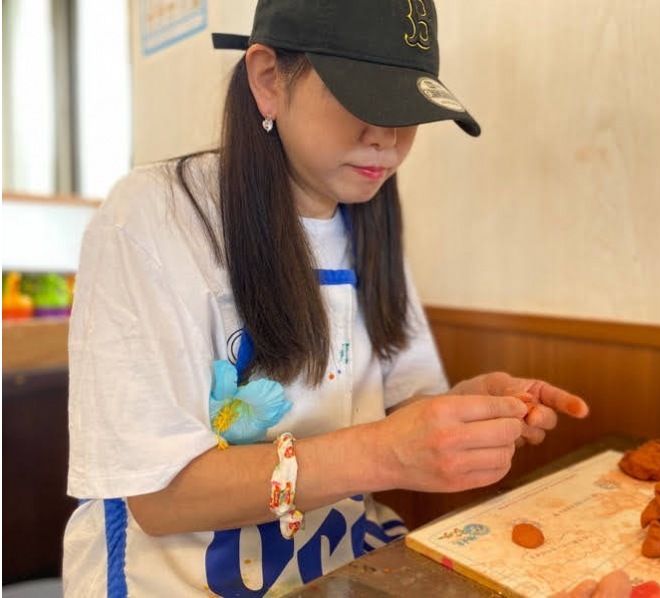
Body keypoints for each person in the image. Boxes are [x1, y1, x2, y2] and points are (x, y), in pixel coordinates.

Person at [63, 1, 589, 595]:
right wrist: (387, 452)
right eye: (363, 100)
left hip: (335, 572)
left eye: (407, 110)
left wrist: (465, 414)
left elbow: (394, 417)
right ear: (268, 80)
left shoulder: (366, 220)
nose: (386, 139)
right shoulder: (154, 216)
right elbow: (158, 497)